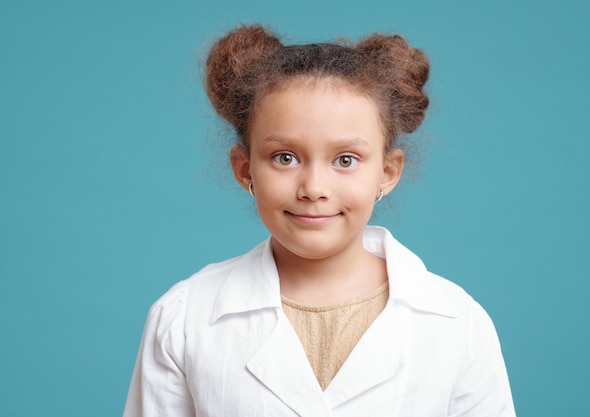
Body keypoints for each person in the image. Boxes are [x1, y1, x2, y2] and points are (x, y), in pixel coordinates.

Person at [123, 24, 516, 417]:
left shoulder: (457, 324)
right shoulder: (183, 318)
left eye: (345, 160)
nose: (313, 188)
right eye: (285, 157)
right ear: (244, 169)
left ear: (387, 172)